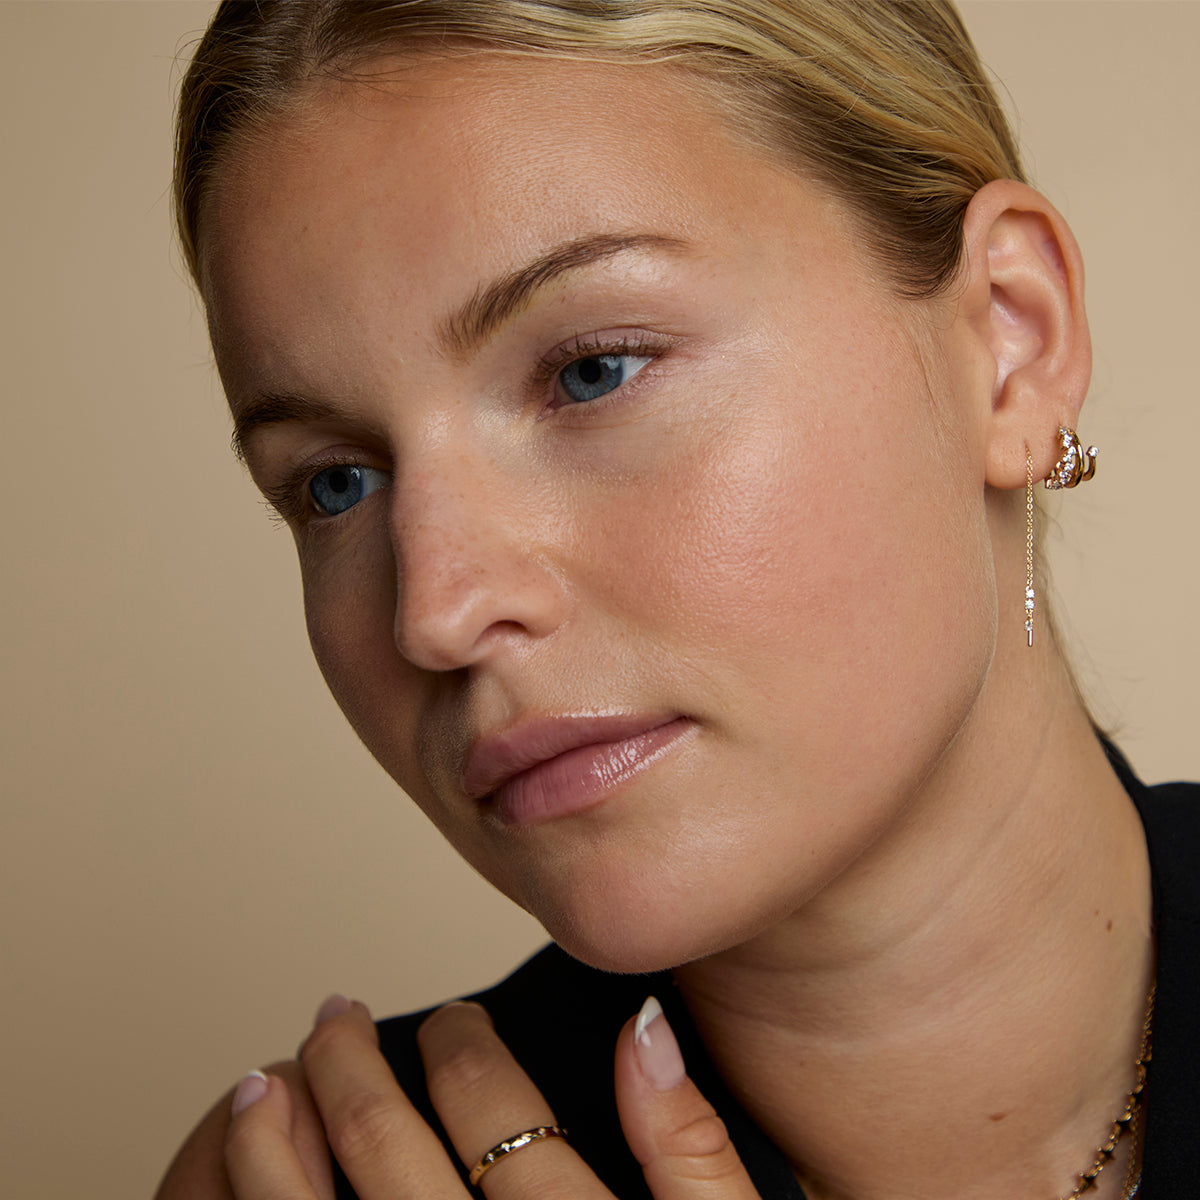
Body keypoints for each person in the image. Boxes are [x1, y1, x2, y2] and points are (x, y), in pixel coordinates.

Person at [157, 2, 1198, 1198]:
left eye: (592, 372)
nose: (435, 613)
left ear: (1010, 343)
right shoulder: (297, 1181)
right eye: (334, 483)